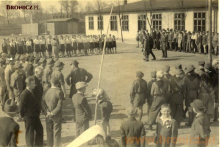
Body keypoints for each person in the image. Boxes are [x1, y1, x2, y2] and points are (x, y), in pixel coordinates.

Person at [20, 76, 43, 147]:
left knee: (40, 129)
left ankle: (38, 145)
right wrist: (22, 116)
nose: (34, 85)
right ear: (28, 85)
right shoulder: (24, 94)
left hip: (35, 115)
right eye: (32, 84)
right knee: (30, 133)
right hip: (28, 117)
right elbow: (21, 107)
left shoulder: (32, 91)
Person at [42, 77, 64, 147]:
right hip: (56, 115)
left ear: (51, 83)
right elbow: (59, 106)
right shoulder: (59, 92)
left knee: (49, 132)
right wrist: (53, 113)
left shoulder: (46, 91)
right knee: (56, 133)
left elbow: (43, 103)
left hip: (47, 115)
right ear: (58, 83)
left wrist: (47, 111)